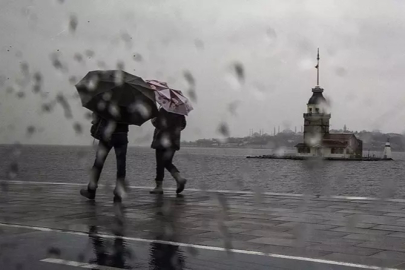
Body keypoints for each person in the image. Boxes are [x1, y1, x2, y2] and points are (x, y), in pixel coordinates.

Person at [80, 113, 129, 202]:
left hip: (108, 134)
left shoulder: (108, 99)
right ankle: (118, 192)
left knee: (98, 163)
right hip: (122, 134)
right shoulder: (129, 101)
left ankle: (91, 190)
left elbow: (98, 113)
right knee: (121, 165)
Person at [150, 108, 187, 194]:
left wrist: (153, 120)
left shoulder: (163, 110)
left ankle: (159, 186)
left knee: (160, 163)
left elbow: (158, 123)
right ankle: (179, 178)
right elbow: (183, 125)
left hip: (161, 140)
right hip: (173, 141)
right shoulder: (179, 111)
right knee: (167, 162)